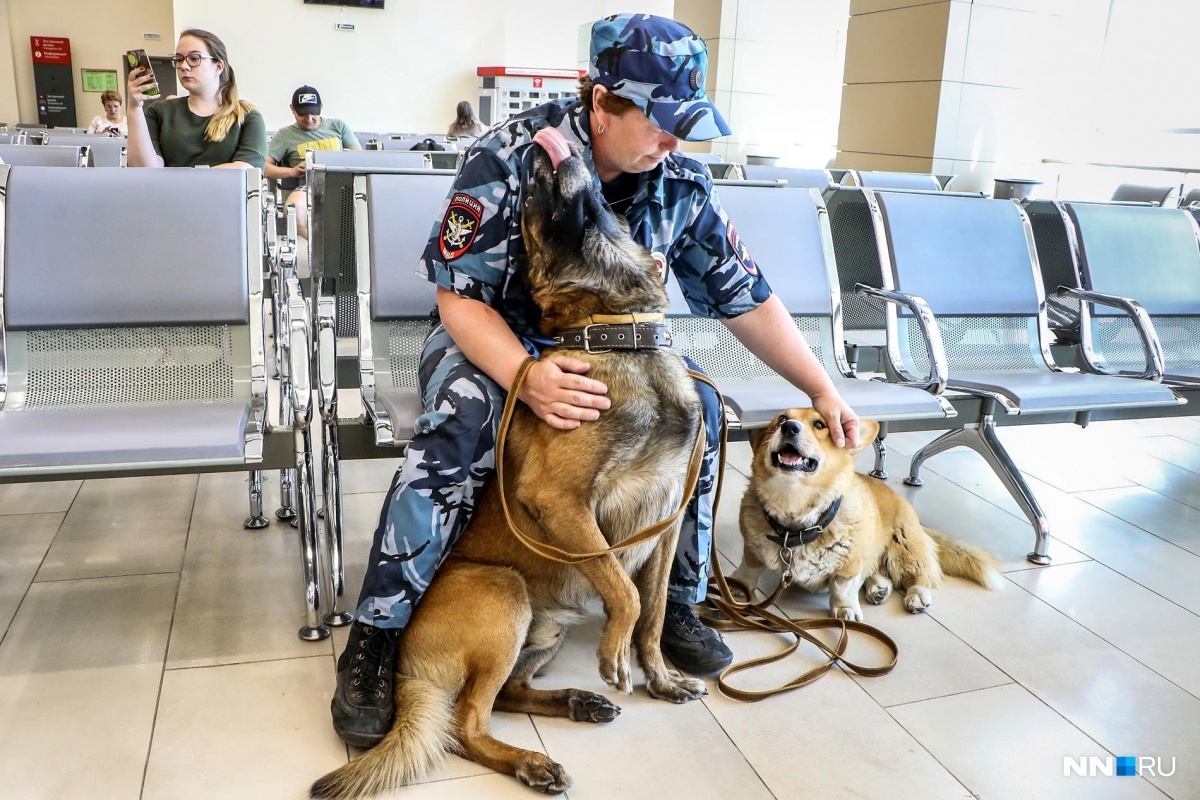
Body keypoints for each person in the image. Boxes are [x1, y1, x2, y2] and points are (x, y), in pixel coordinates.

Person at [329, 12, 862, 748]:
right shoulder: (512, 156)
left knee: (700, 405)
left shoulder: (680, 180)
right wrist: (525, 377)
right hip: (498, 340)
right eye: (661, 121)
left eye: (686, 123)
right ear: (602, 101)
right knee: (464, 412)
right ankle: (379, 634)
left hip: (621, 347)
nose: (675, 140)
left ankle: (672, 601)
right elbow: (459, 298)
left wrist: (823, 386)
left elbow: (746, 293)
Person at [126, 28, 266, 169]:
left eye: (194, 58)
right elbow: (145, 170)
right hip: (169, 192)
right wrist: (134, 108)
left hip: (222, 192)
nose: (184, 66)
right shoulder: (158, 112)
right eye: (179, 59)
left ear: (218, 66)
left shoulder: (247, 117)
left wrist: (183, 179)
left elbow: (246, 168)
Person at [265, 86, 360, 239]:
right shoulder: (284, 135)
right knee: (293, 209)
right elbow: (263, 168)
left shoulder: (338, 126)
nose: (309, 119)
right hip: (309, 186)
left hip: (344, 184)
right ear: (292, 110)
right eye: (302, 114)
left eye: (313, 113)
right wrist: (291, 171)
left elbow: (359, 158)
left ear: (321, 107)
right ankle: (323, 247)